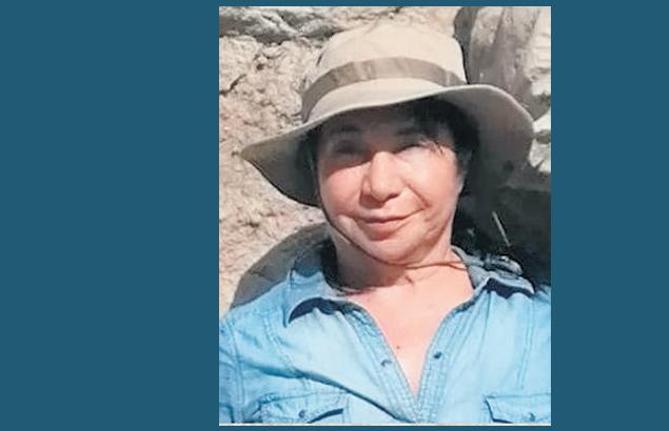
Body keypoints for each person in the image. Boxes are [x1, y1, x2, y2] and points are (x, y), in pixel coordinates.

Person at [219, 22, 550, 424]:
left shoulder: (541, 327)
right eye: (348, 150)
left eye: (411, 146)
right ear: (315, 172)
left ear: (462, 163)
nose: (380, 185)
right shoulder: (244, 351)